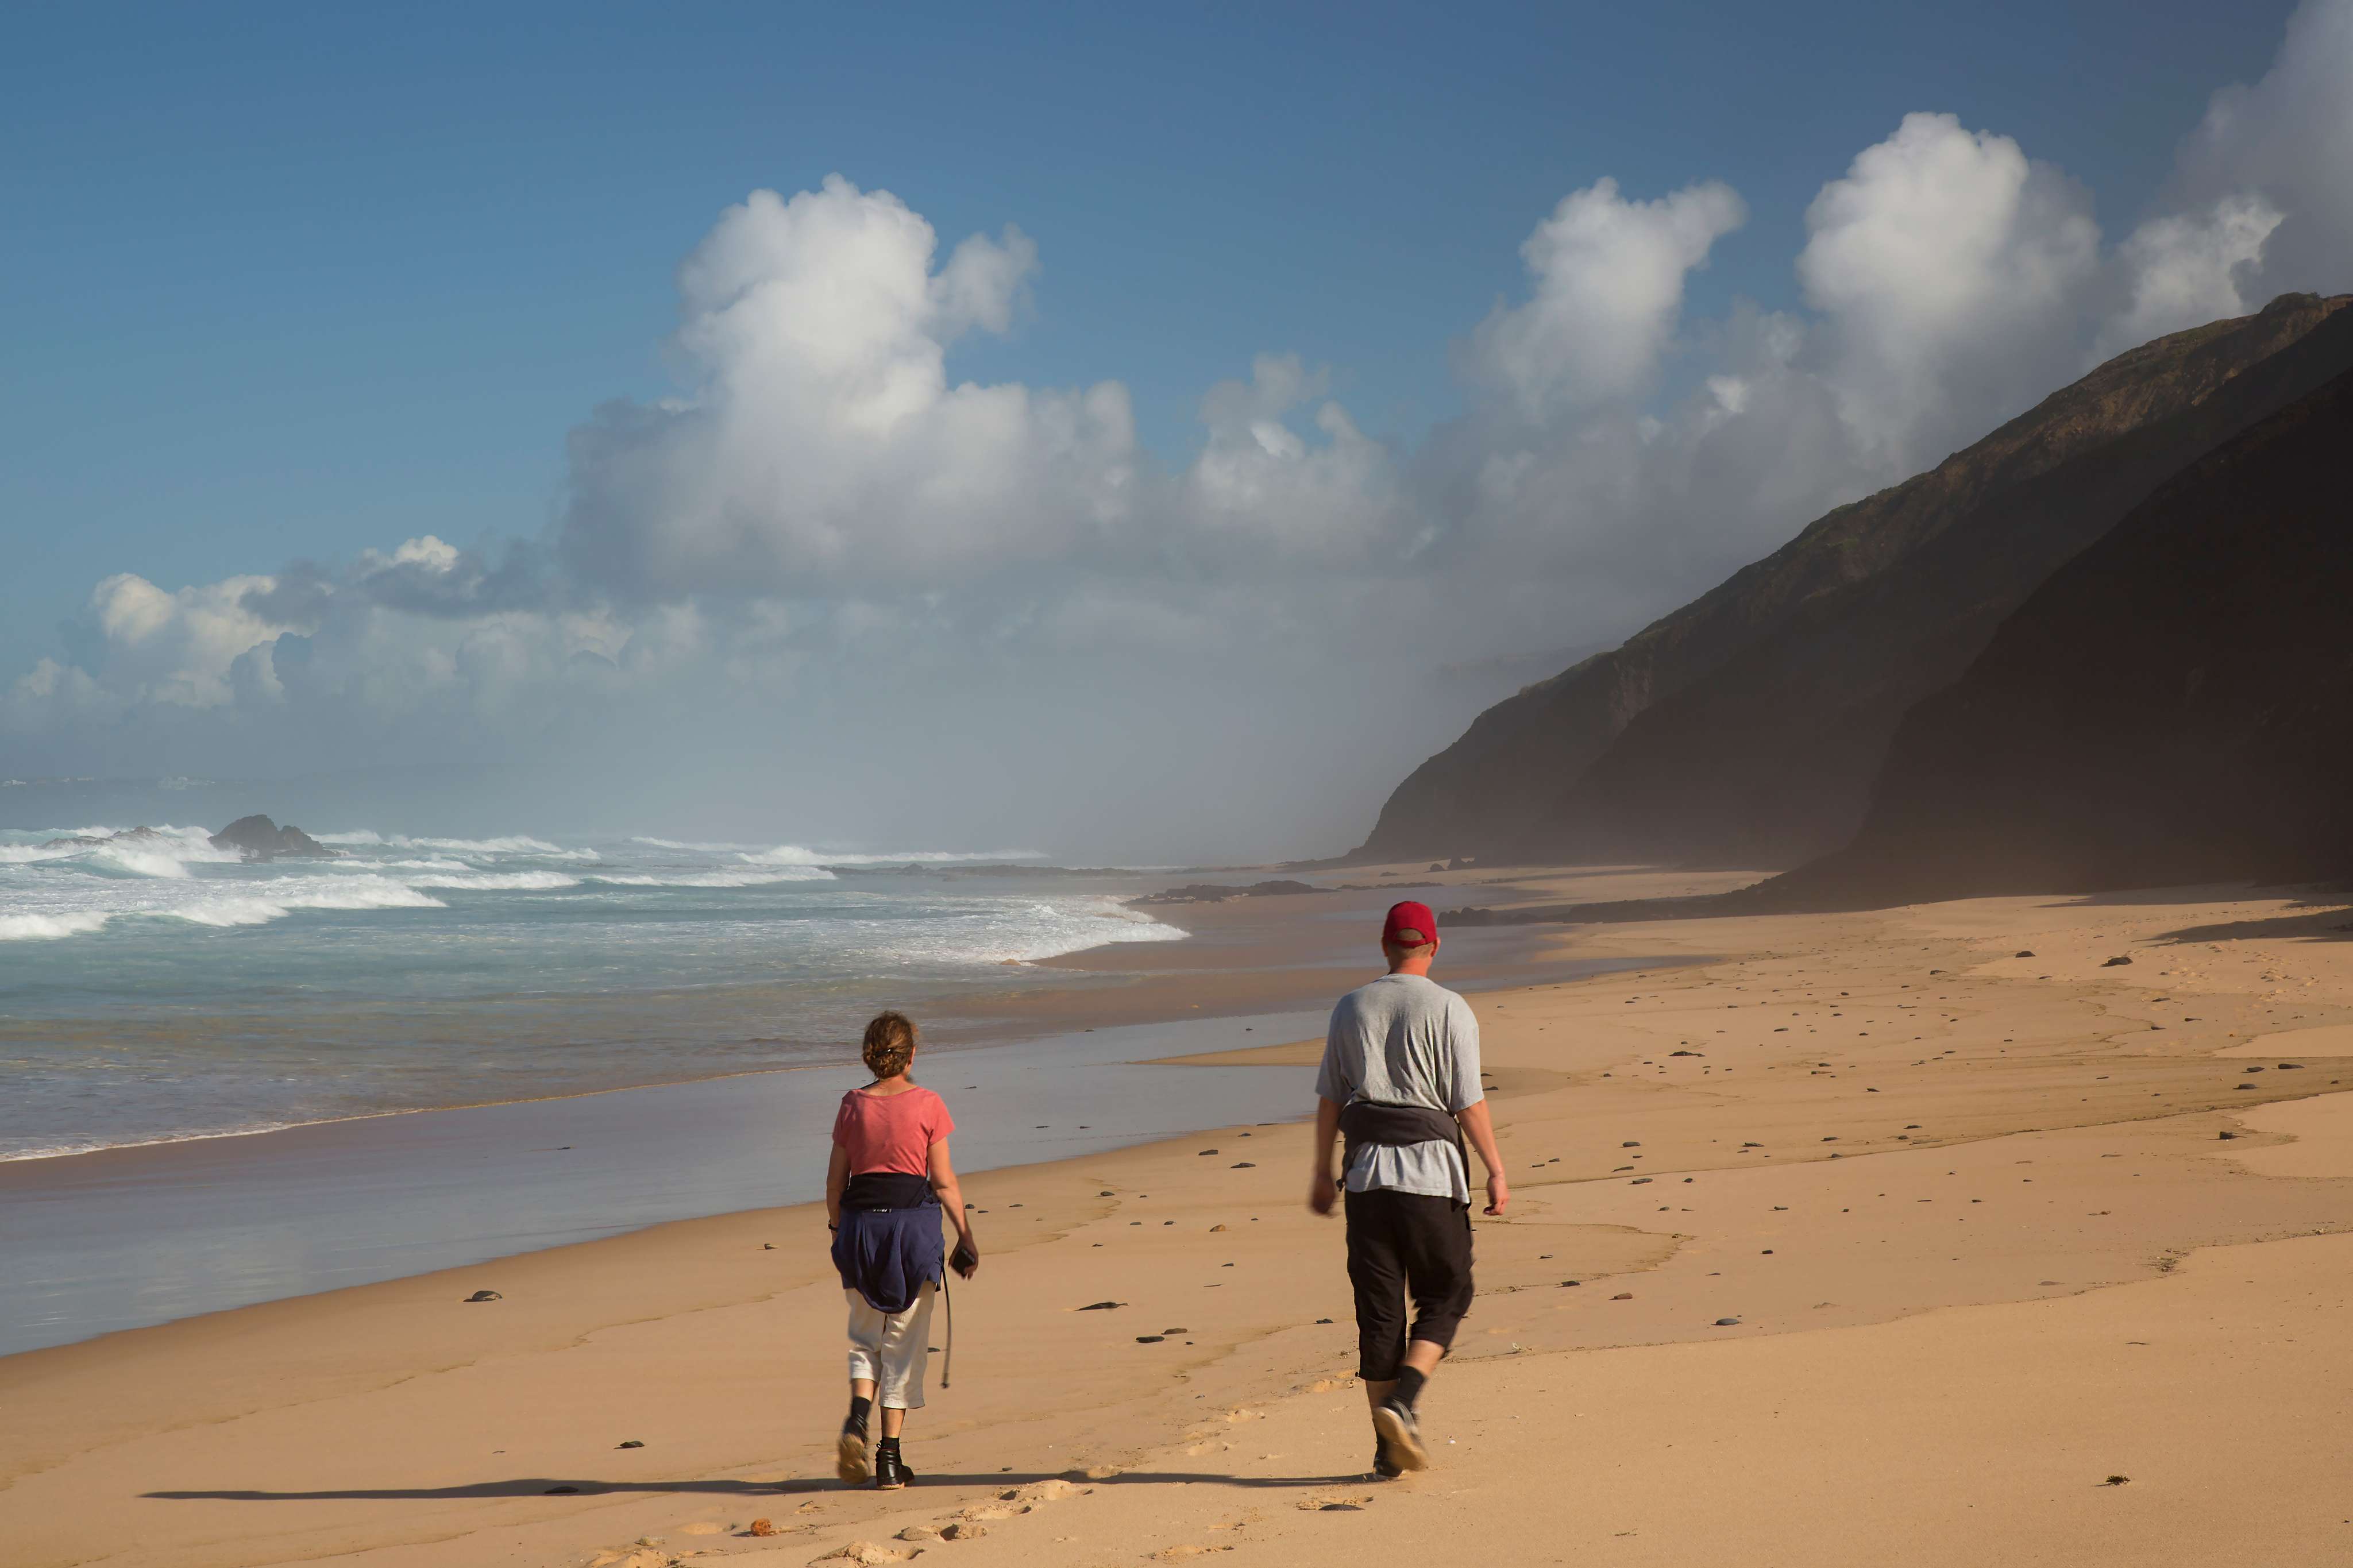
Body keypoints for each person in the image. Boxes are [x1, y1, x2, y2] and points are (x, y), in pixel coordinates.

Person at [1307, 900, 1507, 1477]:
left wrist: (1322, 1171)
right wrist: (1495, 1168)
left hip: (1367, 1175)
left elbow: (1330, 1098)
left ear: (1384, 946)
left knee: (1378, 1315)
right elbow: (1467, 1099)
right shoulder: (1450, 1009)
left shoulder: (1350, 1007)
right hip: (1429, 1176)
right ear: (1435, 946)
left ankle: (1383, 1450)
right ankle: (1403, 1403)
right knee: (1447, 1295)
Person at [826, 1010, 979, 1489]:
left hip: (860, 1231)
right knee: (904, 1347)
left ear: (870, 1056)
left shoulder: (852, 1105)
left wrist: (838, 1233)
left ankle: (856, 1418)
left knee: (865, 1337)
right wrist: (966, 1235)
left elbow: (835, 1183)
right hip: (912, 1233)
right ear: (912, 1054)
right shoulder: (929, 1104)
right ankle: (889, 1460)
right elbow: (944, 1181)